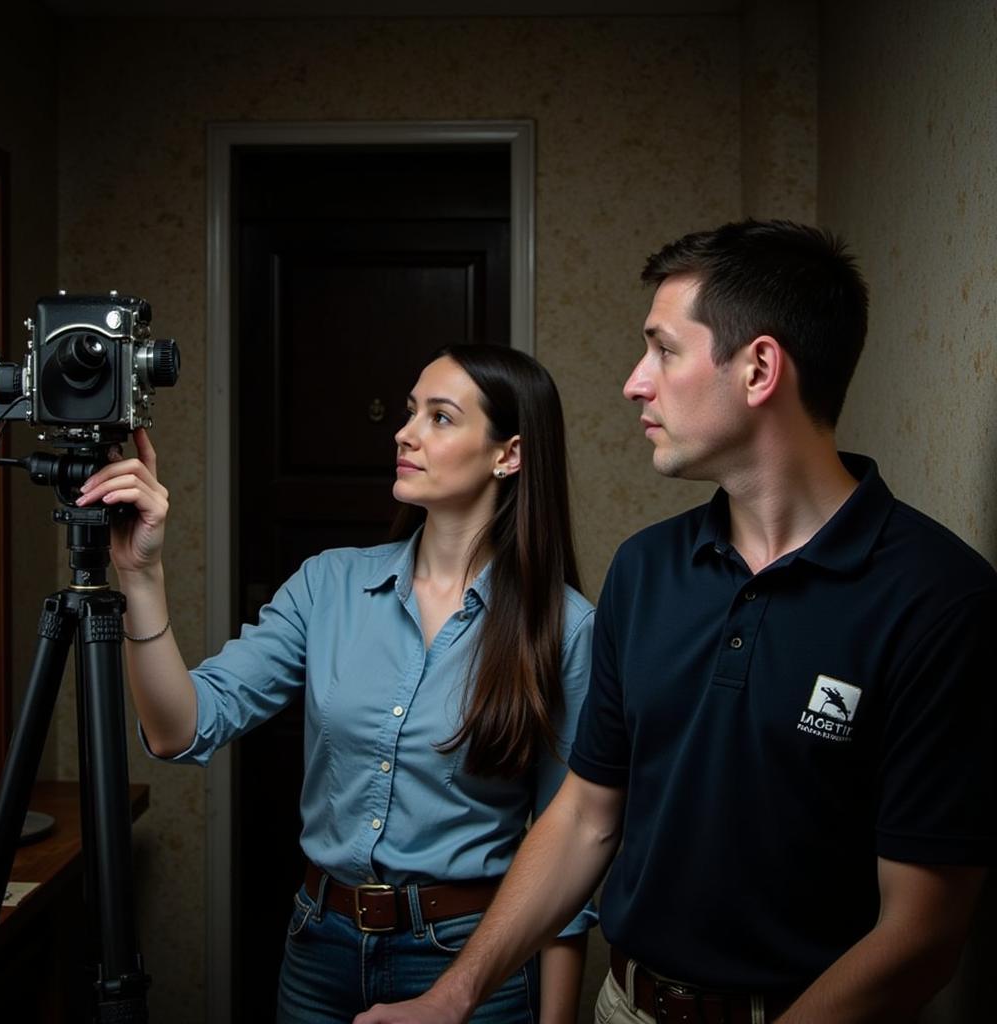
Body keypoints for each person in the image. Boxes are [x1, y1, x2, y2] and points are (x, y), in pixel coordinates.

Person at [353, 220, 997, 1024]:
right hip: (627, 1005)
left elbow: (925, 929)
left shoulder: (939, 598)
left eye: (663, 350)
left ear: (760, 367)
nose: (634, 382)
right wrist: (453, 995)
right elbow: (588, 814)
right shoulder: (646, 569)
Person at [76, 344, 597, 1023]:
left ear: (509, 454)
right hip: (318, 948)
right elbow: (181, 729)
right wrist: (140, 576)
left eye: (440, 417)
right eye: (411, 411)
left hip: (470, 961)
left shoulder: (565, 627)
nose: (404, 432)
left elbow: (569, 857)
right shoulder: (329, 585)